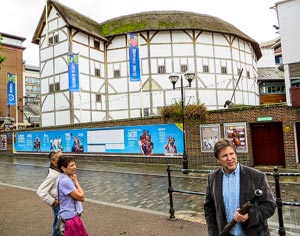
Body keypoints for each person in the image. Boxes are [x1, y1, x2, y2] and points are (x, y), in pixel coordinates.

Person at [204, 138, 276, 236]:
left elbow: (270, 206)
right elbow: (209, 208)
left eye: (232, 154)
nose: (230, 158)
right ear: (218, 159)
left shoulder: (256, 176)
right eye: (225, 156)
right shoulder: (212, 178)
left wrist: (250, 216)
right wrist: (213, 232)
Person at [56, 155, 88, 236]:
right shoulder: (65, 181)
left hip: (69, 216)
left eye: (75, 164)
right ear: (63, 168)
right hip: (70, 218)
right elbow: (81, 196)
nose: (75, 167)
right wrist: (76, 181)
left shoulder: (63, 178)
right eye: (71, 165)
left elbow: (80, 197)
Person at [36, 150, 63, 236]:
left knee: (60, 225)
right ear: (53, 161)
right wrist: (53, 202)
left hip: (62, 204)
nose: (63, 159)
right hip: (58, 205)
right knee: (58, 225)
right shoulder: (53, 174)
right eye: (60, 157)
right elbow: (41, 191)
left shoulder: (58, 170)